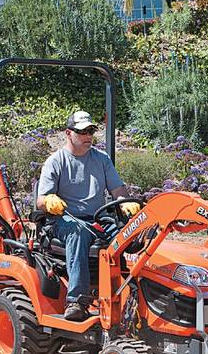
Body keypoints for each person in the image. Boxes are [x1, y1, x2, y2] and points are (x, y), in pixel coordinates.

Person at [37, 110, 139, 321]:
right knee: (78, 233)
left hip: (97, 217)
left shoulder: (101, 159)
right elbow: (41, 200)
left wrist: (126, 202)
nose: (88, 136)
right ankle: (76, 300)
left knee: (131, 234)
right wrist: (48, 201)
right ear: (68, 133)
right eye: (82, 131)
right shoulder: (55, 162)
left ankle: (135, 293)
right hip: (65, 219)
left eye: (91, 131)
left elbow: (118, 191)